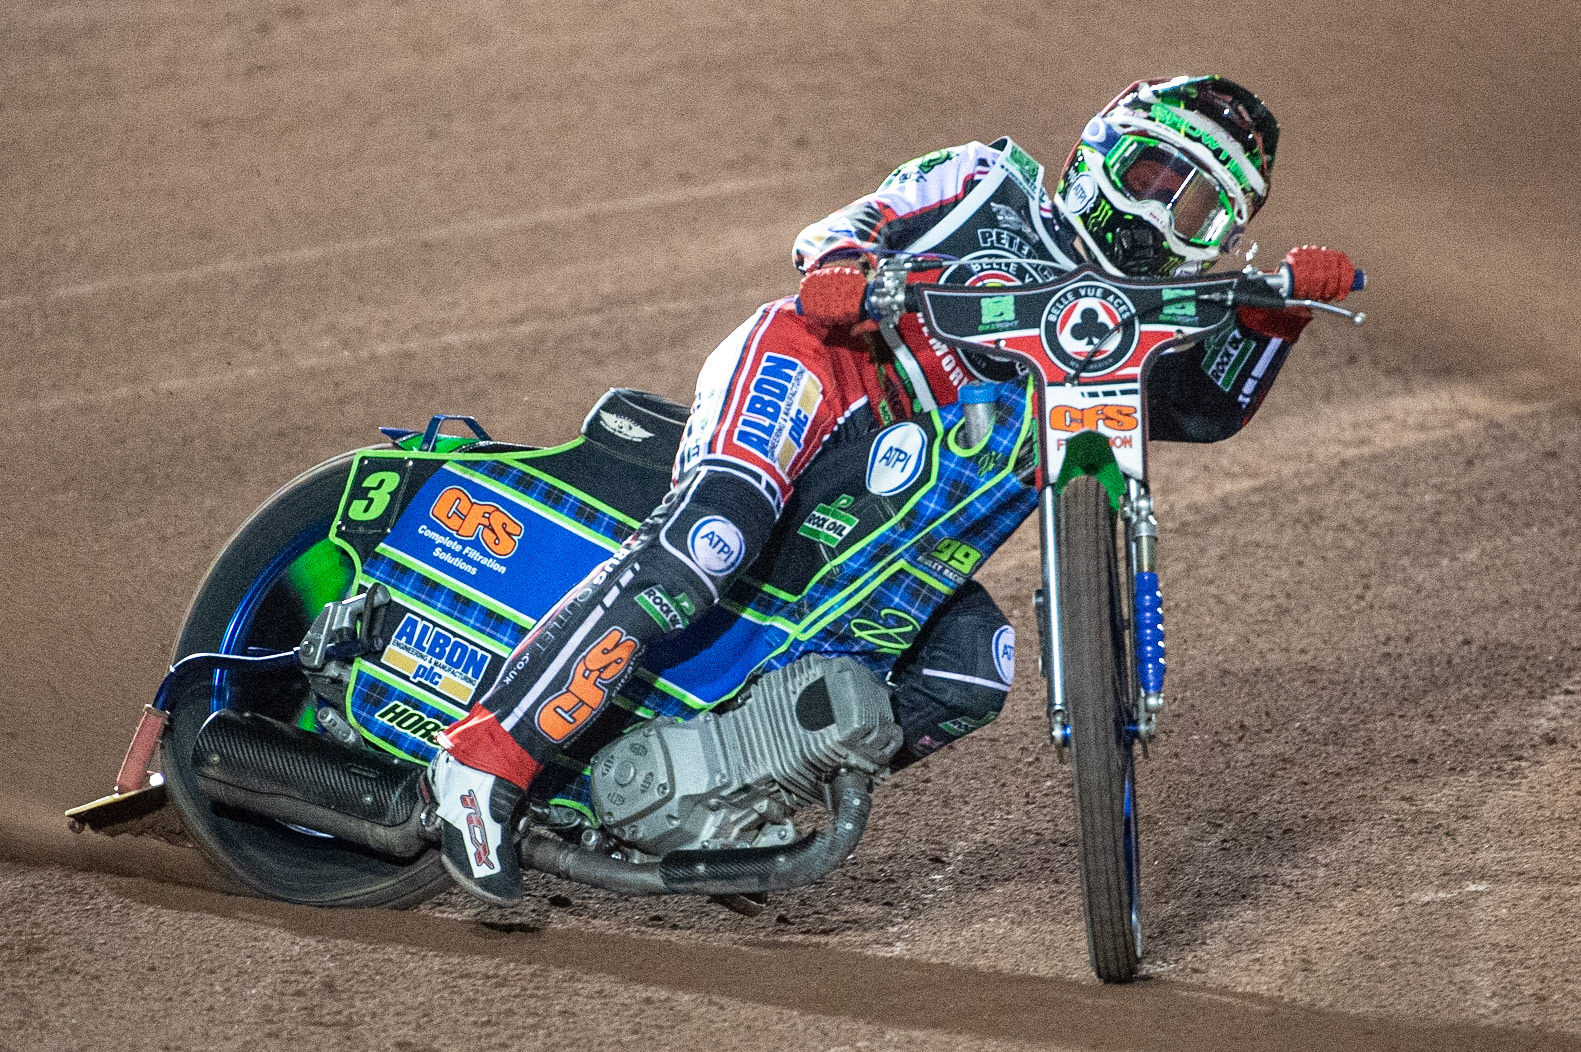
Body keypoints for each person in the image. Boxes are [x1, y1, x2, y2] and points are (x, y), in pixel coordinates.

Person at [427, 74, 1357, 904]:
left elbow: (1202, 410)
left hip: (897, 536)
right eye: (1155, 176)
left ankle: (727, 797)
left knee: (971, 668)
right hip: (821, 375)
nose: (1161, 216)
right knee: (714, 533)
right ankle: (487, 757)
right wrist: (841, 271)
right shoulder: (989, 178)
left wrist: (1274, 313)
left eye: (1197, 212)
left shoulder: (1152, 324)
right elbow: (853, 225)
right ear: (1097, 155)